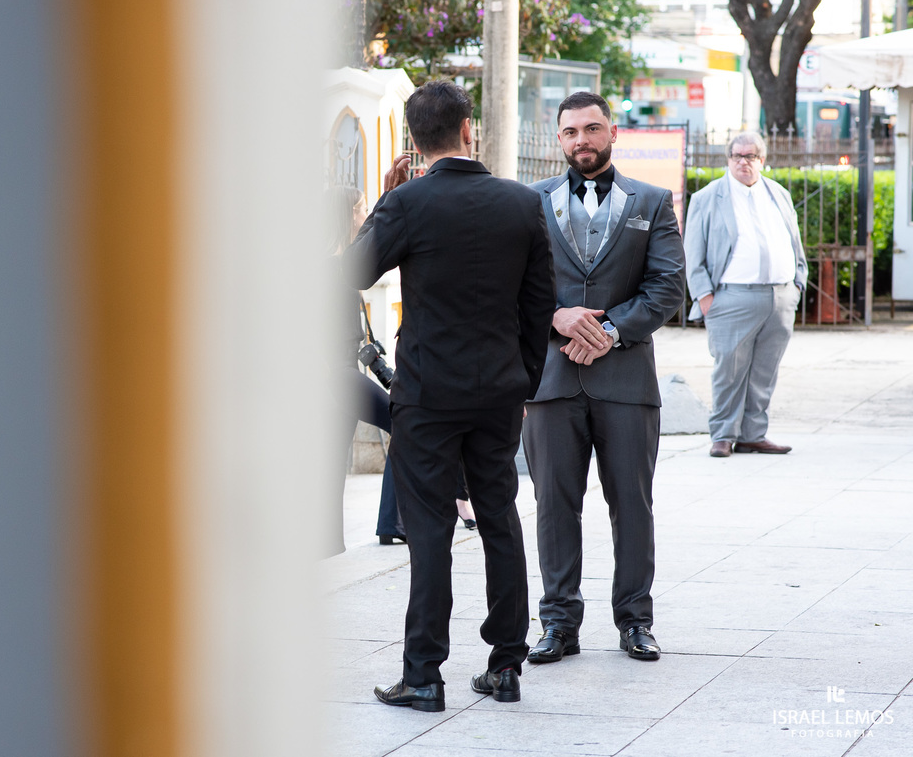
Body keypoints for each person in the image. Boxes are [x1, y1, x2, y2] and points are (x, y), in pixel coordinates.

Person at [345, 80, 555, 712]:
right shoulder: (522, 204)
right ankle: (506, 664)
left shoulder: (405, 204)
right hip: (499, 392)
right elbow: (539, 302)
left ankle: (423, 674)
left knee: (431, 529)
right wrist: (523, 380)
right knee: (499, 517)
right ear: (470, 130)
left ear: (413, 139)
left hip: (427, 393)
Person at [523, 91, 685, 664]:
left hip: (626, 381)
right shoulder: (529, 202)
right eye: (570, 132)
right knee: (553, 506)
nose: (582, 141)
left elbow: (668, 288)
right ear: (558, 140)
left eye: (592, 129)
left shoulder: (652, 200)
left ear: (612, 132)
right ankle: (558, 624)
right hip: (549, 381)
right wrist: (554, 317)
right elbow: (506, 286)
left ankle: (636, 622)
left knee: (632, 505)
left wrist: (609, 331)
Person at [684, 132, 807, 458]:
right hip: (731, 298)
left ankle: (753, 434)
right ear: (729, 159)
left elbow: (795, 243)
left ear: (761, 160)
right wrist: (706, 298)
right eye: (737, 156)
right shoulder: (709, 197)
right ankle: (723, 434)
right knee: (729, 370)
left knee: (765, 371)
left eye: (750, 156)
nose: (743, 161)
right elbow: (692, 255)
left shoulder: (778, 194)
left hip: (780, 298)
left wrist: (797, 284)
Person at [326, 186, 404, 553]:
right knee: (404, 422)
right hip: (335, 376)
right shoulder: (334, 266)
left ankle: (329, 547)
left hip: (338, 373)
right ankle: (392, 521)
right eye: (361, 210)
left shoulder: (339, 263)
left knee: (331, 464)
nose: (364, 215)